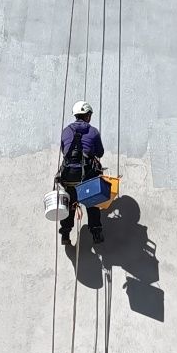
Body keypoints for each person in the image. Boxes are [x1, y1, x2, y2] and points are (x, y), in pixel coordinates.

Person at [56, 101, 106, 247]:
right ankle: (96, 232)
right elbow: (100, 152)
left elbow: (63, 150)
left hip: (69, 175)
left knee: (70, 202)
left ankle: (65, 233)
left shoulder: (66, 131)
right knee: (92, 200)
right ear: (88, 116)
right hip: (86, 176)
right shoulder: (93, 131)